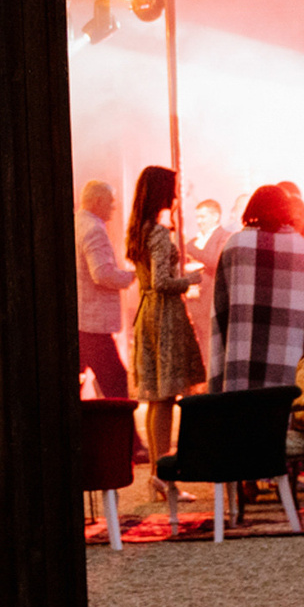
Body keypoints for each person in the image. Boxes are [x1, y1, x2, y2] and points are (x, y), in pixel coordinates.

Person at [215, 183, 304, 470]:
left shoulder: (234, 244)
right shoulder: (300, 246)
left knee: (246, 404)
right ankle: (288, 463)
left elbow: (221, 303)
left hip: (244, 351)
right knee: (284, 402)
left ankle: (246, 471)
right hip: (290, 352)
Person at [126, 165, 206, 498]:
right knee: (166, 397)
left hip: (148, 313)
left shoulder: (140, 230)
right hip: (165, 316)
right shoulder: (158, 232)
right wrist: (191, 279)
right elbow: (161, 282)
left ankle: (158, 475)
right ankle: (164, 474)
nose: (176, 197)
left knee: (156, 397)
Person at [74, 178, 137, 408]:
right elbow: (101, 274)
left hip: (82, 320)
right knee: (116, 383)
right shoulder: (94, 230)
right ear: (98, 201)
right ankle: (126, 439)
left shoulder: (78, 223)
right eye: (111, 201)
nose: (114, 206)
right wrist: (132, 275)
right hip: (94, 324)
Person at [183, 197, 227, 368]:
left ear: (215, 216)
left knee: (211, 344)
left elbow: (216, 260)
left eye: (202, 217)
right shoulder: (193, 241)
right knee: (200, 343)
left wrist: (193, 250)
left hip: (211, 300)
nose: (199, 221)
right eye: (197, 217)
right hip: (194, 300)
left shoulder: (224, 237)